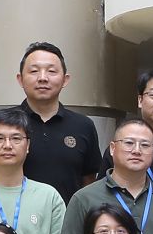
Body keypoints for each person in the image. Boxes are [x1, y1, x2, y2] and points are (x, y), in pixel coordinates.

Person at [13, 41, 102, 201]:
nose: (42, 78)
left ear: (65, 80)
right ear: (20, 79)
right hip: (13, 216)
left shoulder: (83, 125)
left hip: (68, 216)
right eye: (34, 71)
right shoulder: (3, 123)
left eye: (52, 71)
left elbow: (88, 183)